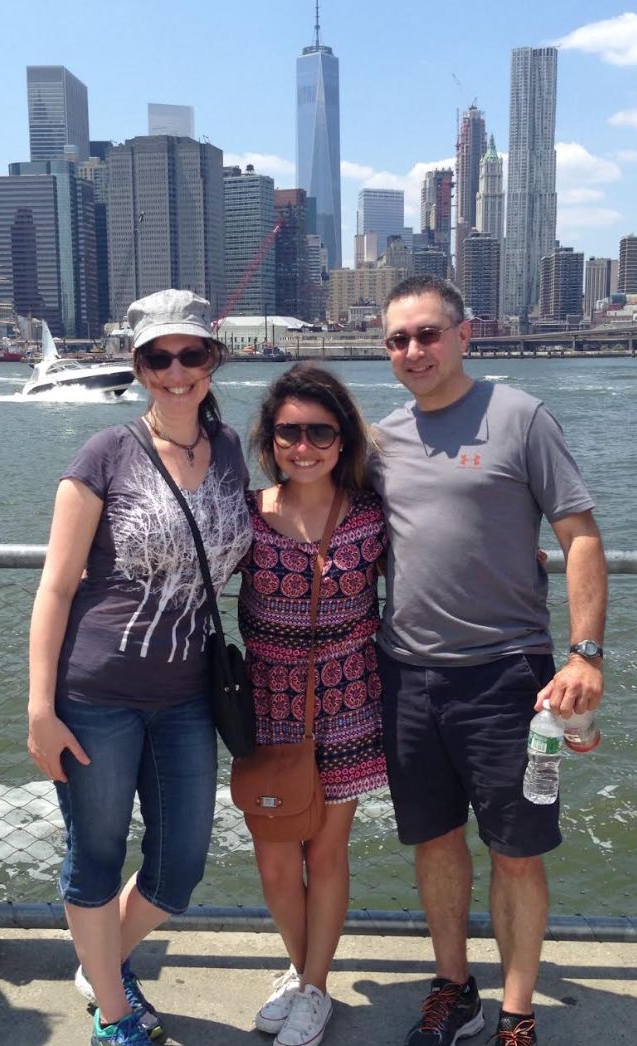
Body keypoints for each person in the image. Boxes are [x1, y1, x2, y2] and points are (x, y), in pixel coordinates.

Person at [371, 276, 607, 1046]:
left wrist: (584, 656)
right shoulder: (380, 439)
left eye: (428, 334)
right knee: (434, 842)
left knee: (516, 852)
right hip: (404, 675)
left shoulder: (520, 416)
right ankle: (453, 988)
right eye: (399, 339)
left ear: (464, 336)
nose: (415, 350)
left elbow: (581, 537)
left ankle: (516, 1009)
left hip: (509, 677)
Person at [27, 289, 252, 1046]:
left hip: (187, 694)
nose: (177, 370)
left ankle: (100, 964)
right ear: (139, 366)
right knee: (95, 853)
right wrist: (39, 708)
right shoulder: (104, 453)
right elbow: (56, 585)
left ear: (213, 359)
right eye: (159, 357)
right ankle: (115, 1016)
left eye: (192, 353)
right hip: (95, 693)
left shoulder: (228, 451)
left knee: (180, 864)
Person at [238, 363, 389, 1046]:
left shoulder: (371, 515)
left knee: (325, 854)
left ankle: (314, 987)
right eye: (289, 432)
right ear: (270, 440)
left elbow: (448, 548)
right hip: (267, 707)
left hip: (350, 700)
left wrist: (516, 558)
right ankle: (302, 975)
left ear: (343, 437)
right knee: (274, 859)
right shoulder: (244, 514)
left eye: (320, 432)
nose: (304, 446)